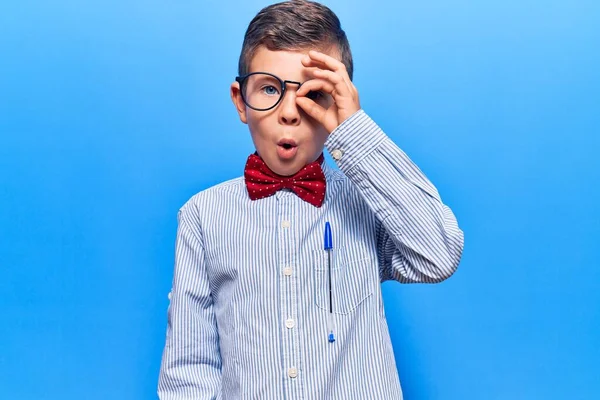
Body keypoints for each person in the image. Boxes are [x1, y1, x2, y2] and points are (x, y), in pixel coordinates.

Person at [158, 1, 464, 398]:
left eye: (312, 94)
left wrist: (353, 130)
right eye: (269, 88)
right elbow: (189, 368)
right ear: (240, 100)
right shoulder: (203, 215)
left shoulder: (369, 203)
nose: (289, 113)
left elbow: (439, 253)